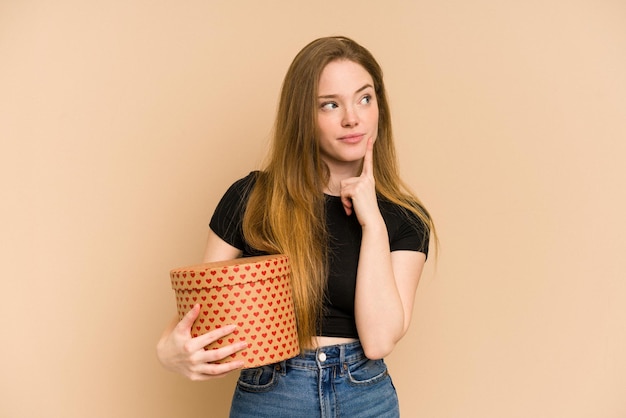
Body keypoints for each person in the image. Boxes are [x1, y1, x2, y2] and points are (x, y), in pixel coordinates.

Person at [157, 35, 436, 417]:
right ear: (303, 115)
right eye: (330, 104)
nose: (351, 117)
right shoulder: (252, 197)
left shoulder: (405, 218)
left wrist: (373, 223)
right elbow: (204, 310)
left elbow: (378, 341)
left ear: (379, 107)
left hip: (364, 397)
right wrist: (167, 350)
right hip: (271, 394)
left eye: (364, 98)